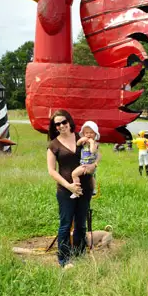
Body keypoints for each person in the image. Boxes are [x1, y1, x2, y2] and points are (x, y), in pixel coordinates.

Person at [47, 110, 96, 268]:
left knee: (81, 223)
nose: (61, 126)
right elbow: (51, 170)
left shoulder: (81, 137)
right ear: (54, 127)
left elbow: (96, 154)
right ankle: (64, 259)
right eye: (57, 124)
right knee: (66, 224)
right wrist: (69, 186)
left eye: (64, 122)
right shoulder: (53, 145)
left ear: (69, 122)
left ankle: (80, 254)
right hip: (66, 190)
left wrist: (94, 165)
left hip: (85, 188)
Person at [70, 121, 100, 199]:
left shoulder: (95, 144)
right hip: (83, 164)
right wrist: (81, 140)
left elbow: (93, 151)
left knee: (74, 174)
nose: (89, 134)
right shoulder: (84, 142)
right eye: (86, 133)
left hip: (88, 165)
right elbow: (77, 144)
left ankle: (77, 190)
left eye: (91, 133)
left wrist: (92, 143)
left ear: (95, 134)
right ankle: (93, 190)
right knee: (91, 177)